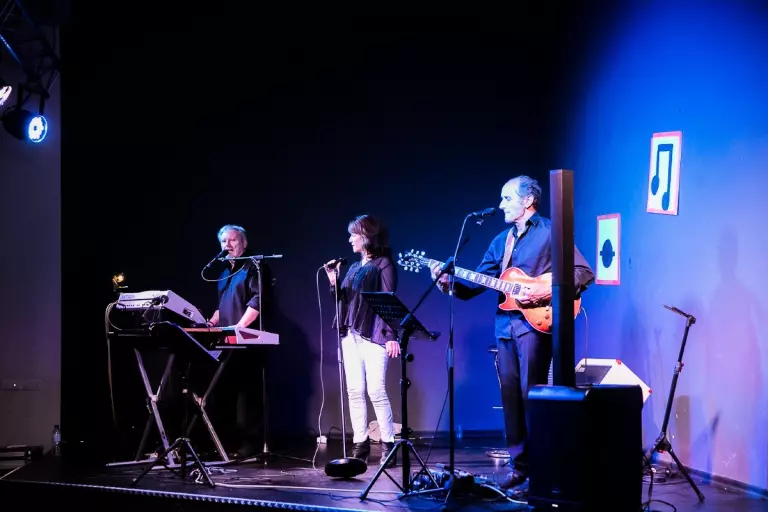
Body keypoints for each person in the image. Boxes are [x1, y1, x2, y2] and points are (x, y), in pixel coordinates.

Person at [429, 176, 595, 489]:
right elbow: (477, 284)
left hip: (534, 326)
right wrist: (448, 283)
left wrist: (546, 291)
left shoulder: (550, 232)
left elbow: (584, 272)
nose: (501, 204)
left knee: (532, 396)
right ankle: (520, 468)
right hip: (505, 327)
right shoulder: (501, 241)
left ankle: (544, 468)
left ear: (527, 201)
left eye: (507, 198)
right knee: (511, 399)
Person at [325, 214, 400, 467]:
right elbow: (344, 301)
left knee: (376, 390)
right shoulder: (355, 267)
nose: (349, 240)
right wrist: (334, 281)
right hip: (351, 334)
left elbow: (388, 299)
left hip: (374, 334)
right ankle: (360, 444)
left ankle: (388, 444)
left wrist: (391, 335)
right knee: (354, 390)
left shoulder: (383, 264)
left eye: (353, 235)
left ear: (366, 236)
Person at [205, 224, 270, 459]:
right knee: (224, 391)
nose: (228, 245)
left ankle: (250, 445)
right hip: (227, 342)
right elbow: (222, 306)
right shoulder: (224, 273)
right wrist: (210, 323)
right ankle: (227, 444)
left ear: (244, 242)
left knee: (248, 395)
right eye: (224, 241)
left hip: (248, 341)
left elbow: (257, 301)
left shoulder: (255, 266)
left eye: (232, 240)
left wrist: (239, 328)